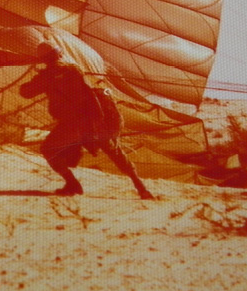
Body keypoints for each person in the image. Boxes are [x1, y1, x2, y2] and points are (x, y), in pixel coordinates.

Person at [20, 43, 154, 199]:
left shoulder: (46, 76)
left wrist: (36, 71)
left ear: (44, 59)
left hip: (72, 125)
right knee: (114, 151)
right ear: (60, 54)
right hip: (95, 120)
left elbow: (26, 92)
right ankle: (141, 187)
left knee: (48, 149)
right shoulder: (74, 69)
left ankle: (72, 184)